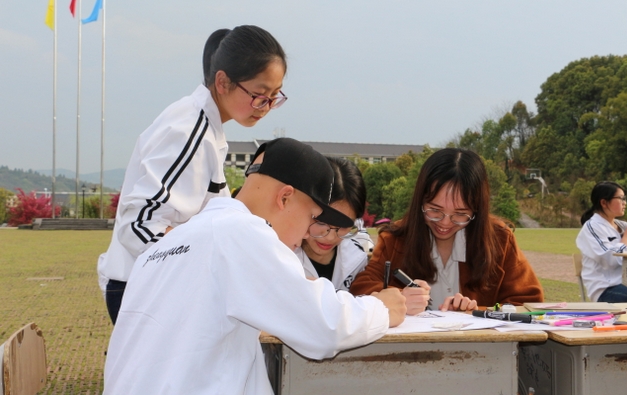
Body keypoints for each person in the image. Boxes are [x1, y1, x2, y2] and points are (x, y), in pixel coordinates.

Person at [103, 138, 407, 394]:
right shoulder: (241, 233)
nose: (306, 234)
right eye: (312, 217)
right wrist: (381, 308)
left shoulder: (169, 243)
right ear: (285, 198)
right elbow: (326, 326)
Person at [98, 25, 288, 324]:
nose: (265, 107)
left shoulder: (206, 126)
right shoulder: (189, 129)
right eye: (259, 95)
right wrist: (204, 261)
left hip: (156, 287)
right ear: (222, 82)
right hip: (145, 292)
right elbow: (139, 225)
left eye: (275, 96)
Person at [350, 148, 543, 313]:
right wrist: (399, 299)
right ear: (420, 201)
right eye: (435, 210)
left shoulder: (499, 240)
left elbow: (528, 303)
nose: (445, 223)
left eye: (460, 214)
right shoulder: (395, 239)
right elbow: (360, 288)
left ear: (477, 209)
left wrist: (476, 312)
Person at [294, 157, 373, 290]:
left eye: (344, 226)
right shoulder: (280, 256)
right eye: (321, 222)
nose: (330, 237)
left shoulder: (357, 259)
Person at [576, 181, 627, 302]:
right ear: (604, 202)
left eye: (625, 198)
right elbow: (610, 260)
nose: (624, 203)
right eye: (621, 198)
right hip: (607, 290)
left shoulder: (624, 226)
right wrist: (626, 239)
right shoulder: (592, 227)